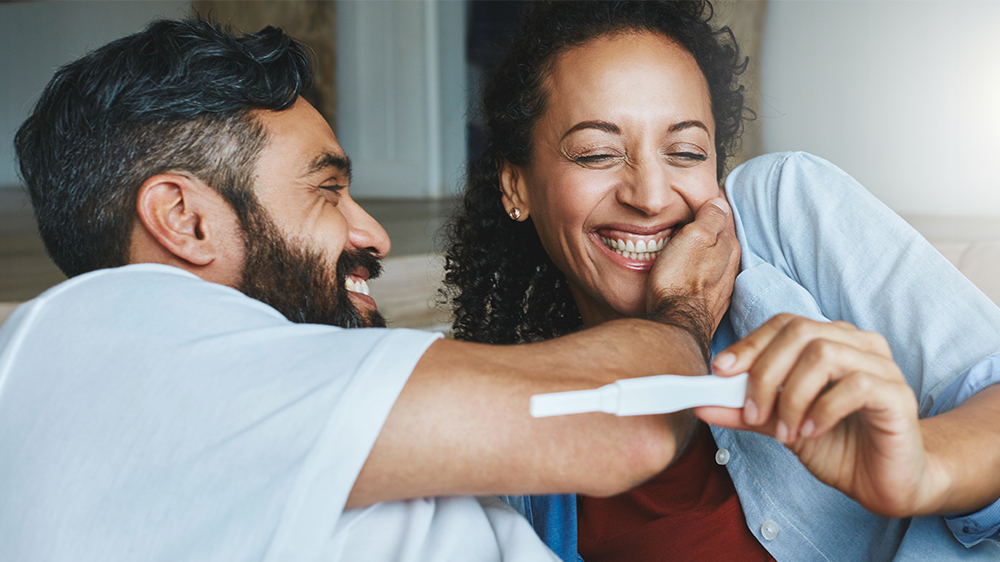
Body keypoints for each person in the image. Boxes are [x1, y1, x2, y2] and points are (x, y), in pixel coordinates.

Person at [0, 18, 743, 562]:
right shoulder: (112, 344)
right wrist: (684, 313)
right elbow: (625, 424)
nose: (375, 235)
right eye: (328, 191)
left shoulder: (239, 383)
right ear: (184, 219)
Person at [441, 2, 1000, 561]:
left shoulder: (780, 210)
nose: (652, 196)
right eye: (598, 154)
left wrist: (923, 466)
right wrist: (681, 312)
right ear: (515, 187)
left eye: (685, 152)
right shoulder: (519, 446)